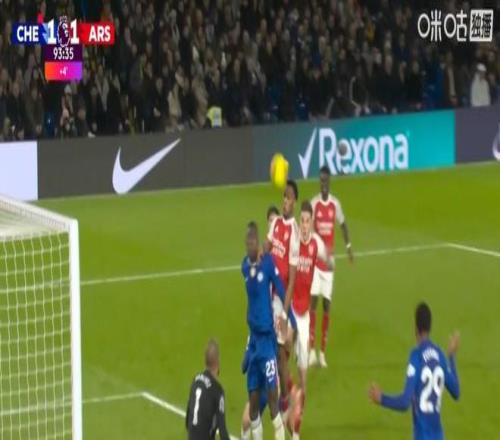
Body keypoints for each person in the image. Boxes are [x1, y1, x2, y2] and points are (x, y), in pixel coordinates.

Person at [368, 302, 460, 440]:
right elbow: (456, 392)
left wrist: (382, 399)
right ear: (430, 327)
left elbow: (405, 402)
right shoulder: (439, 355)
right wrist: (451, 356)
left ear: (415, 328)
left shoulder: (416, 356)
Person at [289, 200, 333, 439]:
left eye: (308, 221)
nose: (305, 225)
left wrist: (331, 261)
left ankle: (297, 425)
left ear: (312, 222)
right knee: (282, 357)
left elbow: (326, 256)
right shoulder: (294, 242)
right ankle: (286, 400)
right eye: (302, 221)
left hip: (304, 315)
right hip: (290, 312)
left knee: (303, 375)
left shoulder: (316, 243)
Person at [241, 221, 286, 440]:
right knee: (253, 406)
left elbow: (280, 288)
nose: (250, 246)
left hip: (267, 341)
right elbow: (252, 294)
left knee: (273, 401)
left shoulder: (267, 263)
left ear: (257, 243)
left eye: (253, 243)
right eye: (247, 243)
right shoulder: (244, 267)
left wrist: (287, 319)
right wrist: (247, 350)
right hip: (254, 341)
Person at [309, 166, 353, 368]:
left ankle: (322, 353)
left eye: (326, 180)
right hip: (316, 264)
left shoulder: (335, 204)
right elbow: (308, 230)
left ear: (330, 182)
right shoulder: (314, 203)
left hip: (329, 265)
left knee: (327, 306)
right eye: (321, 180)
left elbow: (343, 225)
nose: (323, 183)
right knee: (313, 304)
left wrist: (349, 247)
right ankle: (311, 351)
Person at [265, 180, 300, 416]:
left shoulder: (294, 232)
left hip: (280, 299)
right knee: (269, 345)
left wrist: (285, 315)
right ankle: (277, 387)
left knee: (279, 351)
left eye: (288, 198)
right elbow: (267, 247)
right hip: (267, 294)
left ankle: (286, 398)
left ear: (294, 201)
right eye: (283, 197)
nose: (285, 201)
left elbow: (292, 279)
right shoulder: (276, 223)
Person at [186, 339, 230, 440]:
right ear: (217, 361)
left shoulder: (195, 381)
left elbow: (188, 419)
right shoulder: (218, 391)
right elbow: (222, 431)